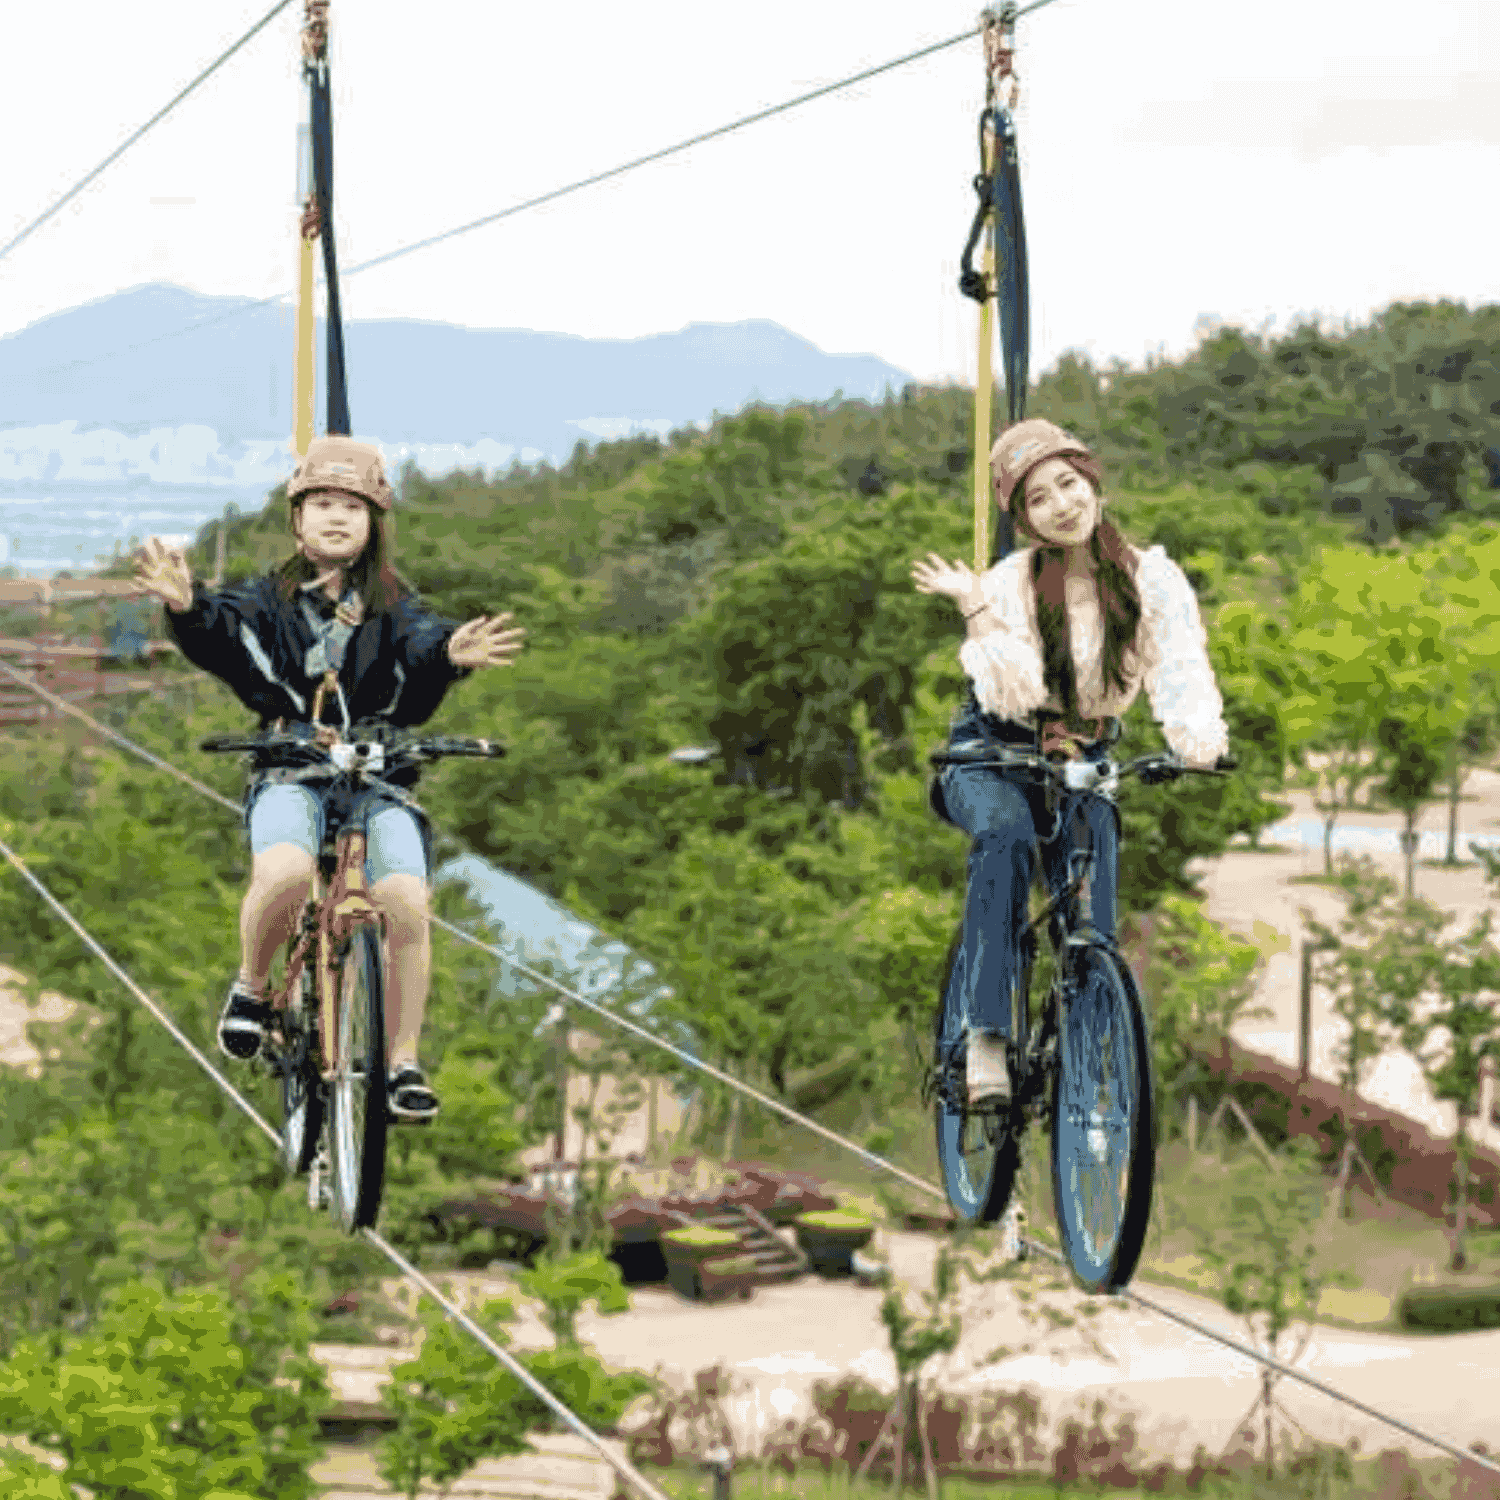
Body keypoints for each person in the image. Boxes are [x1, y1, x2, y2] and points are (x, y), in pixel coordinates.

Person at [133, 436, 525, 1120]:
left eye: (352, 506)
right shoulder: (267, 599)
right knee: (284, 872)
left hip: (378, 776)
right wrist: (187, 608)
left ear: (374, 522)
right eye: (321, 504)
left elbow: (424, 643)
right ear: (297, 519)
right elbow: (223, 631)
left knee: (406, 901)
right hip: (292, 767)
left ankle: (401, 1062)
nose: (336, 517)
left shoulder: (395, 605)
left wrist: (450, 655)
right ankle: (252, 987)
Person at [910, 418, 1229, 1108]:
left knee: (1091, 917)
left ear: (1091, 481)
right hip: (994, 749)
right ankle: (986, 1035)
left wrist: (1196, 739)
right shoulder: (1010, 583)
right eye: (1038, 498)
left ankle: (1088, 1072)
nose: (1062, 504)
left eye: (1068, 483)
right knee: (1006, 837)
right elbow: (1014, 691)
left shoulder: (1152, 578)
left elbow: (1180, 663)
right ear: (1024, 520)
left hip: (1084, 754)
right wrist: (975, 609)